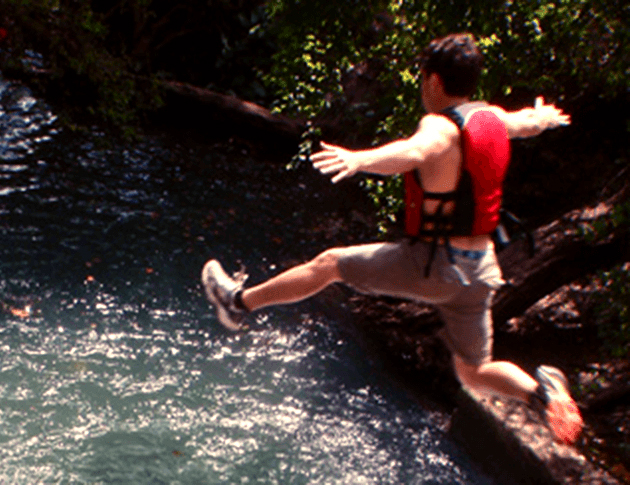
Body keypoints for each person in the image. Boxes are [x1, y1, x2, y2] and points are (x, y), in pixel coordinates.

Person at [201, 32, 584, 445]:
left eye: (422, 78)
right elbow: (525, 124)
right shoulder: (490, 117)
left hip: (436, 265)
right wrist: (543, 118)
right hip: (481, 270)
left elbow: (414, 151)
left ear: (433, 80)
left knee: (330, 264)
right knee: (474, 372)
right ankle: (541, 393)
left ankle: (237, 303)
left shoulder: (440, 127)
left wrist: (359, 159)